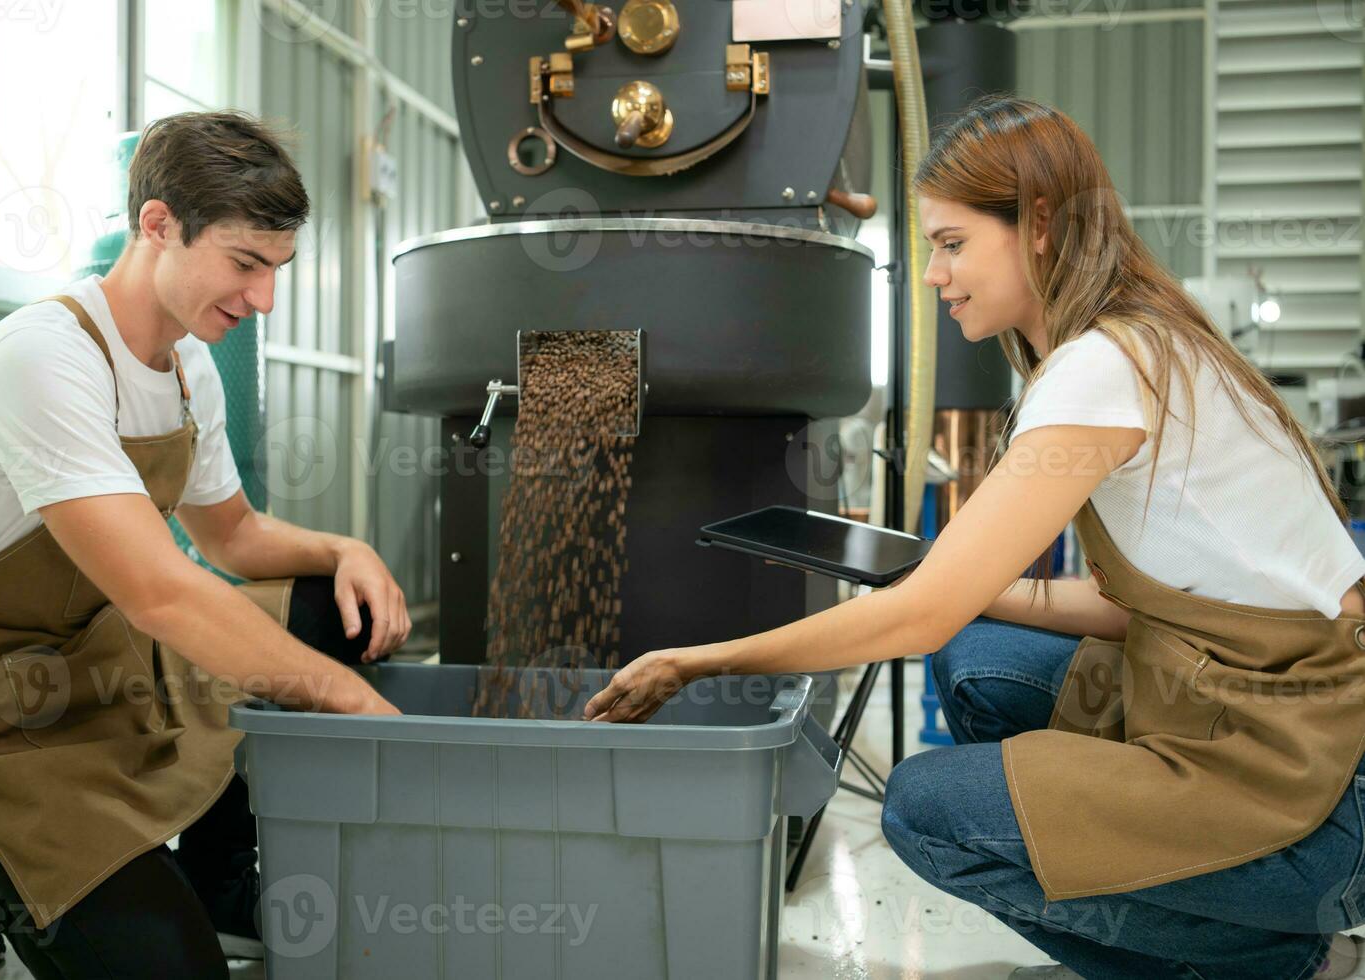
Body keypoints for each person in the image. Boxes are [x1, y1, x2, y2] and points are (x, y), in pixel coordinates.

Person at [583, 95, 1365, 980]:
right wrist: (961, 581)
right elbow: (1125, 605)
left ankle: (1273, 961)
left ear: (1037, 224)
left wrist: (696, 661)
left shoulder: (1099, 369)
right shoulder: (1138, 342)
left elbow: (918, 624)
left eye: (952, 244)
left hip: (1315, 782)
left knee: (923, 809)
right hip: (1251, 705)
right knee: (980, 660)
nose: (931, 274)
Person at [0, 111, 412, 978]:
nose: (264, 301)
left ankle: (215, 885)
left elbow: (235, 537)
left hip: (110, 657)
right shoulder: (45, 358)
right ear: (158, 224)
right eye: (246, 264)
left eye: (277, 269)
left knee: (333, 609)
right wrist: (352, 702)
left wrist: (342, 551)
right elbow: (163, 592)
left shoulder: (187, 365)